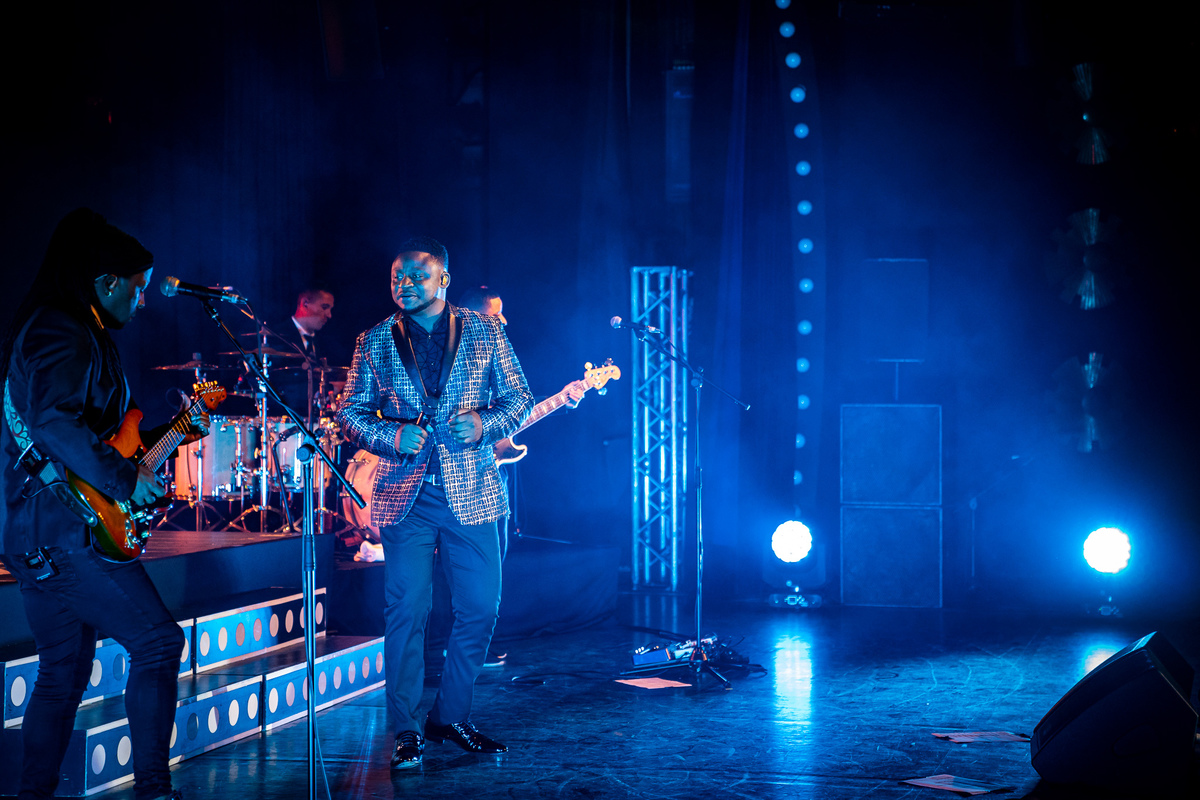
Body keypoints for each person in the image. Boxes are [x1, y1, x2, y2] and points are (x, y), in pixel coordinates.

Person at [0, 209, 207, 800]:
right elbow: (53, 424)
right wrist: (122, 481)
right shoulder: (60, 328)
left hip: (43, 533)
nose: (141, 301)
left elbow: (105, 440)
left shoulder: (77, 328)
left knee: (62, 673)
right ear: (106, 282)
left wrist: (176, 433)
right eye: (137, 288)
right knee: (158, 643)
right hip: (63, 531)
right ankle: (153, 790)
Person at [335, 237, 533, 770]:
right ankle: (406, 729)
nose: (404, 285)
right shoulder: (374, 340)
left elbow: (520, 398)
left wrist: (484, 423)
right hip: (406, 498)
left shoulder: (486, 330)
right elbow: (350, 412)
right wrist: (390, 435)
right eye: (396, 277)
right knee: (407, 612)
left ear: (443, 279)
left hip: (474, 492)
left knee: (481, 608)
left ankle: (449, 716)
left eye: (416, 276)